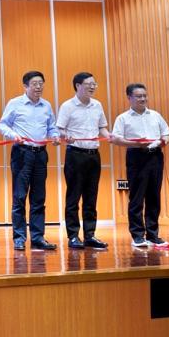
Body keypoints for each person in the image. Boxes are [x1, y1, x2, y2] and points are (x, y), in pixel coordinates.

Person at [0, 70, 61, 251]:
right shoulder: (15, 103)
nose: (38, 87)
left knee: (39, 197)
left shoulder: (46, 105)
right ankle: (19, 238)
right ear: (25, 86)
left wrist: (55, 136)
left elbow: (51, 127)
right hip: (22, 153)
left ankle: (38, 237)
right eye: (34, 83)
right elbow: (2, 124)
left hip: (41, 154)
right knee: (19, 197)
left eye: (41, 83)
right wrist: (13, 135)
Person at [111, 83, 169, 248]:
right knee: (137, 197)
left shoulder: (155, 115)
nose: (143, 99)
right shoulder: (123, 118)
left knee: (154, 196)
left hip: (155, 156)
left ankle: (153, 234)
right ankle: (137, 235)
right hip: (136, 156)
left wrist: (162, 141)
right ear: (129, 98)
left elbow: (167, 133)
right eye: (138, 96)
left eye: (144, 95)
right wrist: (136, 144)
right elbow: (116, 138)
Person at [56, 72, 110, 250]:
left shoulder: (97, 105)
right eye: (89, 84)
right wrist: (66, 136)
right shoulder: (67, 106)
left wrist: (110, 136)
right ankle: (73, 236)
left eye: (94, 84)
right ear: (78, 86)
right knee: (73, 197)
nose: (92, 87)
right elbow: (60, 130)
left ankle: (90, 235)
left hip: (94, 155)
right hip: (75, 155)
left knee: (91, 197)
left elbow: (102, 127)